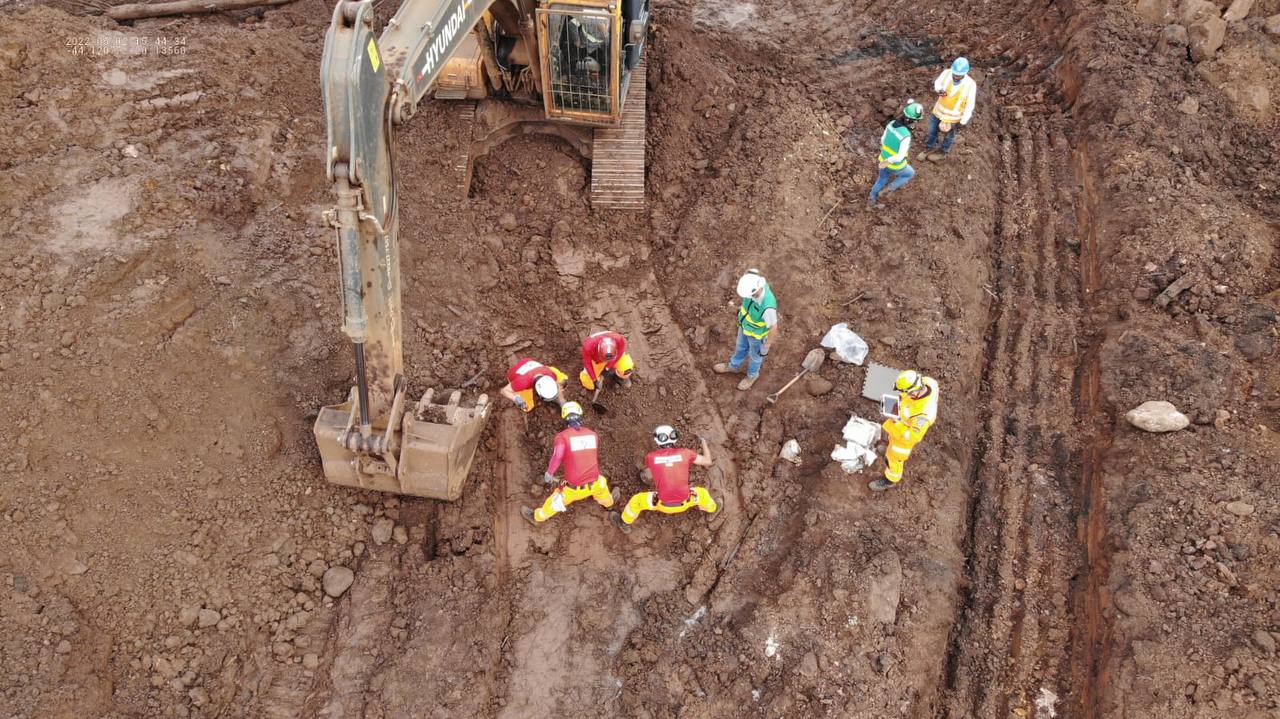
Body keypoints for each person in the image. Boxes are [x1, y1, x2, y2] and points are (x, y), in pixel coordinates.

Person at [522, 402, 619, 524]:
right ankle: (609, 504)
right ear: (581, 416)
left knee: (556, 499)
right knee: (602, 486)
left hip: (573, 487)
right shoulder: (593, 435)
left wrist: (549, 473)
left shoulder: (562, 437)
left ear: (565, 419)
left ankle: (537, 517)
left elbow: (557, 456)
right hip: (595, 482)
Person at [612, 425, 717, 533]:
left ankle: (624, 522)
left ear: (657, 441)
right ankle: (712, 508)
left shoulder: (651, 457)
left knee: (636, 501)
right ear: (674, 437)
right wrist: (703, 441)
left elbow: (649, 468)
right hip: (686, 501)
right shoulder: (686, 453)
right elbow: (707, 461)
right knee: (703, 493)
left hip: (661, 503)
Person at [870, 369, 940, 491]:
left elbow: (913, 437)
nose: (904, 395)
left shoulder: (923, 416)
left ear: (913, 392)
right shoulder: (928, 382)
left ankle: (890, 480)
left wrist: (896, 420)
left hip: (904, 438)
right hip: (900, 428)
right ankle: (889, 449)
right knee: (891, 442)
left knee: (894, 457)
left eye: (906, 393)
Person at [712, 269, 779, 391]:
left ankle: (752, 376)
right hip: (744, 328)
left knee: (755, 356)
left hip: (757, 337)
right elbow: (752, 272)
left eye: (749, 295)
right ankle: (734, 366)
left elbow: (774, 327)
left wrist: (767, 345)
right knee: (740, 347)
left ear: (756, 290)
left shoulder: (767, 306)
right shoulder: (751, 283)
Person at [867, 101, 924, 210]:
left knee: (881, 180)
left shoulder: (891, 124)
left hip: (883, 159)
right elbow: (899, 156)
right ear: (911, 120)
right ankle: (889, 188)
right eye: (916, 121)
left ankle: (871, 202)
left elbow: (883, 140)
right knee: (909, 173)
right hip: (895, 165)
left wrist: (886, 159)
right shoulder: (906, 135)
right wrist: (890, 160)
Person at [924, 57, 978, 160]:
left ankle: (943, 152)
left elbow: (970, 104)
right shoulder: (946, 73)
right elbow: (938, 83)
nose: (956, 77)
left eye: (959, 75)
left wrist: (963, 121)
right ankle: (929, 147)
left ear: (965, 73)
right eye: (955, 74)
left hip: (953, 118)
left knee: (949, 136)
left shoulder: (970, 85)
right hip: (938, 112)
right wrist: (939, 90)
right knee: (932, 131)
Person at [500, 356, 567, 412]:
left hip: (527, 362)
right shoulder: (522, 383)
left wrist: (562, 402)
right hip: (514, 373)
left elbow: (558, 385)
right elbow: (504, 390)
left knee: (562, 378)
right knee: (528, 406)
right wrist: (516, 398)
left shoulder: (550, 374)